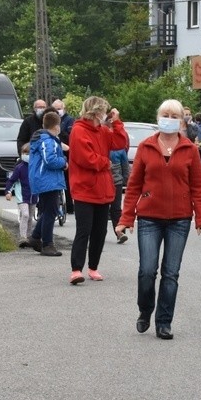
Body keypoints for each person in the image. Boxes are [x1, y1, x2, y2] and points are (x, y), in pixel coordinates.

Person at [115, 99, 201, 340]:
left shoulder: (189, 149)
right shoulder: (146, 147)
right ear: (159, 117)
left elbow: (199, 186)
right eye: (165, 114)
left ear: (181, 121)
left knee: (171, 273)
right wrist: (126, 218)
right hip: (149, 218)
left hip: (180, 219)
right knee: (147, 271)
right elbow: (134, 186)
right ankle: (145, 310)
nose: (168, 118)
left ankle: (164, 322)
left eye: (173, 115)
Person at [67, 96, 128, 284]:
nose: (104, 115)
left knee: (100, 232)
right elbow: (86, 158)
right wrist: (106, 162)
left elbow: (120, 143)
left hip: (103, 189)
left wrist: (117, 123)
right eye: (103, 111)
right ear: (95, 112)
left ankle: (93, 267)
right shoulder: (78, 131)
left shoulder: (103, 130)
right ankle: (76, 269)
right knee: (83, 230)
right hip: (85, 189)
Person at [27, 111, 68, 257]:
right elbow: (49, 160)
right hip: (47, 180)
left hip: (45, 179)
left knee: (48, 210)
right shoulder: (47, 140)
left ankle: (36, 237)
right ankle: (47, 244)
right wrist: (63, 162)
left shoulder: (46, 138)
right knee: (52, 211)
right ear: (57, 126)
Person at [4, 143, 38, 248]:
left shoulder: (36, 167)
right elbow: (11, 181)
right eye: (25, 153)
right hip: (22, 196)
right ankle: (22, 237)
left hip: (33, 196)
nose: (27, 155)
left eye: (29, 153)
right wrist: (8, 192)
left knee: (30, 217)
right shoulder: (19, 168)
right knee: (25, 215)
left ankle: (28, 237)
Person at [53, 99, 76, 214]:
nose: (57, 111)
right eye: (55, 109)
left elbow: (70, 137)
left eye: (59, 109)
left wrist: (59, 130)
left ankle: (70, 205)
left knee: (67, 181)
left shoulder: (69, 120)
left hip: (67, 153)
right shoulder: (51, 120)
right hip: (54, 152)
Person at [109, 142, 130, 244]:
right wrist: (125, 181)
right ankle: (120, 233)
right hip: (117, 182)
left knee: (102, 209)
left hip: (104, 182)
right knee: (116, 209)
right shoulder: (120, 150)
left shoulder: (101, 147)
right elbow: (125, 168)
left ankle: (97, 233)